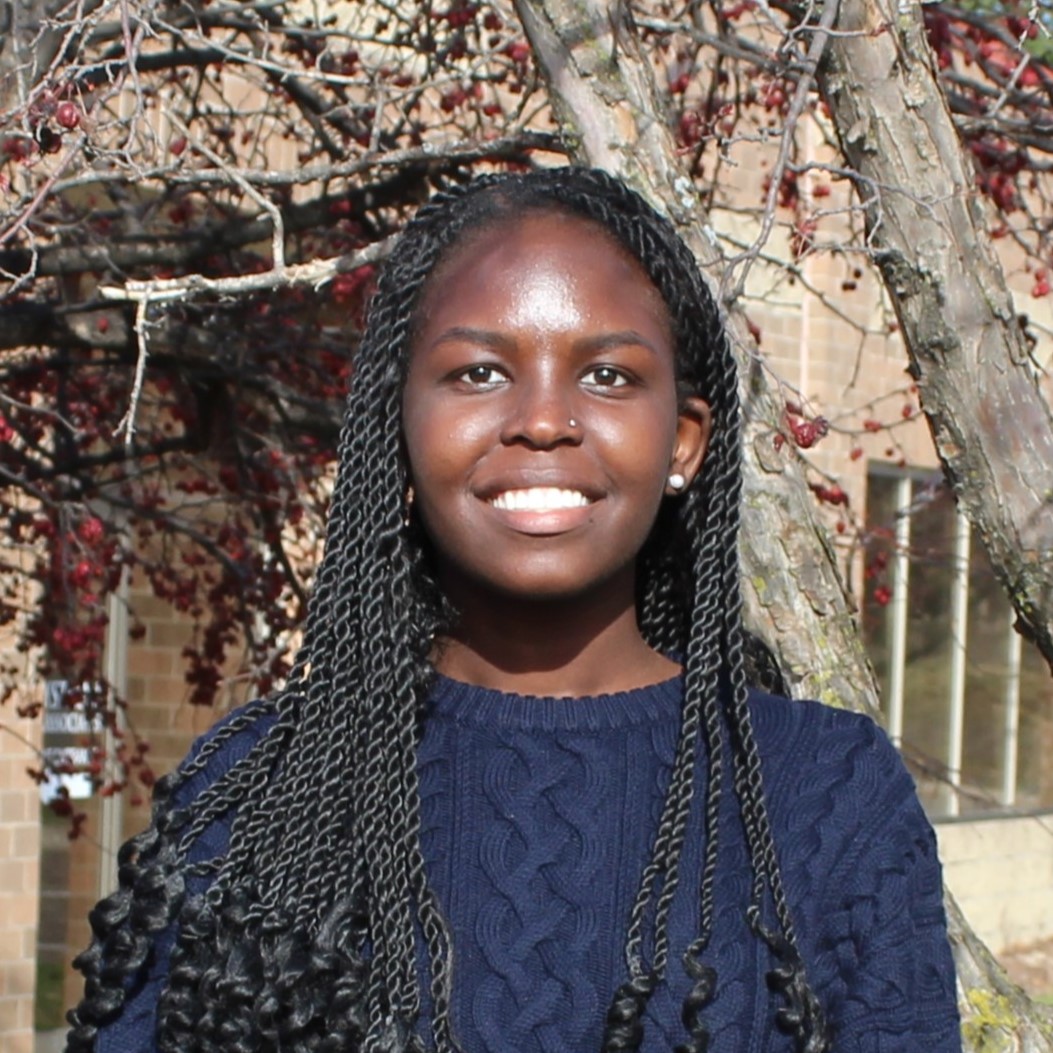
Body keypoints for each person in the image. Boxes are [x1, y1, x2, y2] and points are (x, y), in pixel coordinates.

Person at [67, 168, 961, 1053]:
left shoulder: (825, 794)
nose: (543, 420)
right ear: (399, 430)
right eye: (480, 371)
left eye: (608, 374)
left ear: (683, 441)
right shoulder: (262, 792)